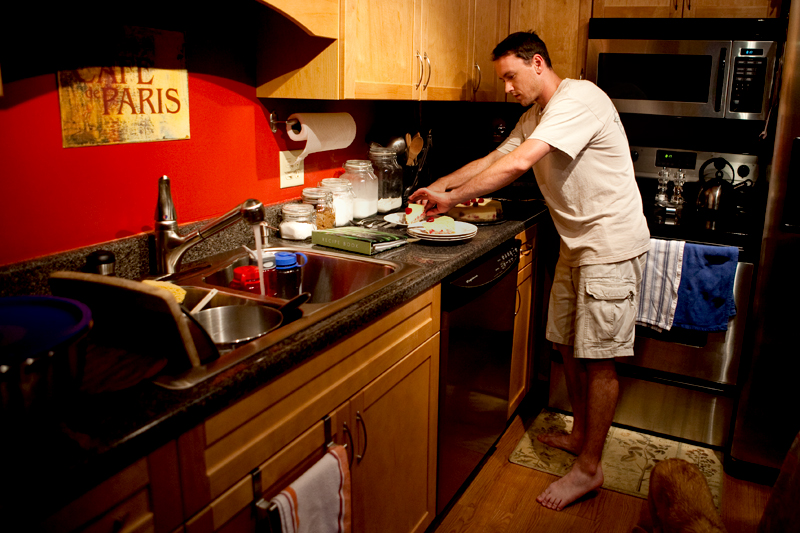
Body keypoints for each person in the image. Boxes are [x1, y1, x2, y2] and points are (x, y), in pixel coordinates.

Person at [408, 31, 650, 511]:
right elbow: (493, 157)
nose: (507, 88)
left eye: (510, 77)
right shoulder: (536, 114)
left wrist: (453, 200)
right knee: (567, 344)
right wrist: (435, 188)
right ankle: (581, 434)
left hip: (609, 246)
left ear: (537, 63)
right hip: (577, 244)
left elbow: (518, 162)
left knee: (599, 358)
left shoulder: (578, 99)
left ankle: (590, 469)